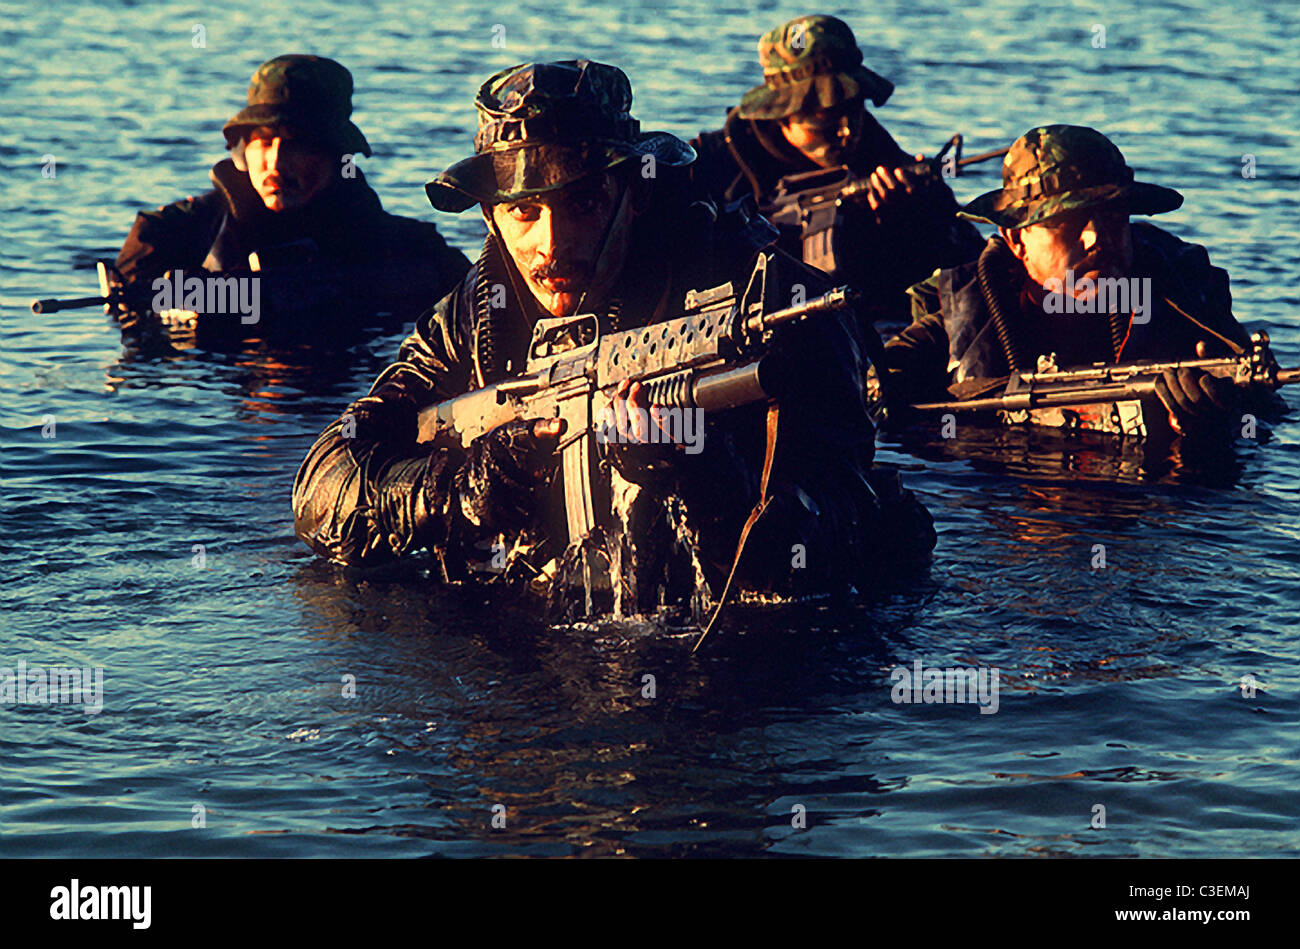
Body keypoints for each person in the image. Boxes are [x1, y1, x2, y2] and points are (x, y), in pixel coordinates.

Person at [291, 60, 935, 621]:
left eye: (584, 205)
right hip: (519, 651)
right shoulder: (471, 319)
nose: (553, 244)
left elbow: (854, 533)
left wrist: (708, 481)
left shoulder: (773, 303)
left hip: (730, 668)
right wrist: (462, 489)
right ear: (490, 215)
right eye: (524, 212)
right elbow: (321, 493)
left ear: (636, 195)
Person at [878, 124, 1283, 443]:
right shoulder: (964, 313)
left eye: (1112, 217)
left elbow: (1267, 414)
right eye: (1069, 223)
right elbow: (869, 395)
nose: (1097, 238)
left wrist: (1217, 421)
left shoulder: (1181, 297)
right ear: (1017, 240)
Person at [112, 54, 469, 340]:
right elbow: (132, 312)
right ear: (242, 151)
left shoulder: (410, 248)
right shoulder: (172, 233)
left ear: (337, 154)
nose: (277, 164)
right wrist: (203, 297)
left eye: (298, 144)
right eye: (264, 142)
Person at [691, 14, 982, 323]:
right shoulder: (711, 165)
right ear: (782, 113)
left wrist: (912, 222)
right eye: (825, 117)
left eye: (854, 110)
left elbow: (969, 272)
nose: (846, 131)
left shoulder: (894, 168)